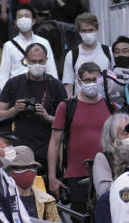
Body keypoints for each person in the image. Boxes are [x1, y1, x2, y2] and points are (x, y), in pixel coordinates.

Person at [48, 62, 115, 209]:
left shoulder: (111, 106)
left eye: (95, 80)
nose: (91, 84)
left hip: (108, 173)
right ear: (79, 81)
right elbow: (54, 143)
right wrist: (52, 177)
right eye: (87, 80)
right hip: (77, 176)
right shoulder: (66, 106)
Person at [0, 43, 67, 177]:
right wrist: (14, 110)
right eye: (33, 61)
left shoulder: (56, 86)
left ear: (47, 60)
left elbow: (66, 121)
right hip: (20, 148)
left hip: (48, 149)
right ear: (26, 61)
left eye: (41, 61)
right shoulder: (14, 83)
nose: (37, 64)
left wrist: (47, 116)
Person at [0, 4, 57, 88]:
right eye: (20, 16)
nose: (23, 19)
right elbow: (3, 74)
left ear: (33, 21)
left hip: (40, 88)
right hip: (16, 90)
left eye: (27, 16)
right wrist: (5, 97)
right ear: (15, 22)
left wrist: (53, 91)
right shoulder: (9, 46)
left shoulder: (44, 42)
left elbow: (51, 70)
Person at [61, 13, 112, 96]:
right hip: (80, 104)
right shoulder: (72, 55)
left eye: (90, 30)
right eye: (84, 31)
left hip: (104, 103)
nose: (87, 33)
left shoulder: (108, 52)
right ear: (79, 32)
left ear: (97, 29)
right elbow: (68, 84)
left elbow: (113, 79)